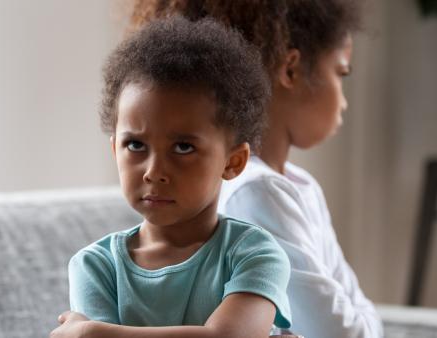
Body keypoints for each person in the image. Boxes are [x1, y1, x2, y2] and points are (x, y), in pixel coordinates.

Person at [129, 1, 383, 337]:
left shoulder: (297, 185)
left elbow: (360, 312)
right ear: (290, 70)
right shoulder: (256, 192)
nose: (345, 100)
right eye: (340, 72)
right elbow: (342, 331)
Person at [50, 16, 294, 338]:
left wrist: (92, 333)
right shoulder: (96, 266)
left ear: (233, 161)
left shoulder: (254, 254)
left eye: (182, 147)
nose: (153, 172)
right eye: (135, 145)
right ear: (115, 150)